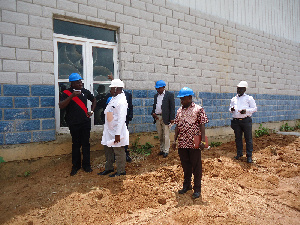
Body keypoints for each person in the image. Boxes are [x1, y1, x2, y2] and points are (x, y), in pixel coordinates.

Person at [172, 87, 209, 199]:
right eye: (180, 99)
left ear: (190, 98)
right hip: (182, 142)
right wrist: (174, 140)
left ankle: (197, 189)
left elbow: (202, 125)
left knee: (196, 166)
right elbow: (177, 126)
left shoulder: (198, 109)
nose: (181, 101)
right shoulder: (179, 110)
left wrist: (203, 141)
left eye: (183, 98)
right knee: (186, 165)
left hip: (194, 142)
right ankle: (187, 185)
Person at [59, 73, 97, 176]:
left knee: (85, 144)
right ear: (72, 83)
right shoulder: (66, 93)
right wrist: (72, 96)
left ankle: (86, 165)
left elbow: (94, 100)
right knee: (76, 145)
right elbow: (61, 106)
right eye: (78, 82)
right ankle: (76, 166)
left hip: (85, 122)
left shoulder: (85, 91)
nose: (80, 83)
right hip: (73, 123)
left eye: (81, 81)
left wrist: (92, 111)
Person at [98, 79, 129, 177]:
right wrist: (109, 127)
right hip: (109, 130)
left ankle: (121, 171)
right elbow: (110, 112)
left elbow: (121, 119)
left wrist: (117, 134)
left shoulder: (122, 101)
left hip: (116, 131)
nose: (110, 90)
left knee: (118, 151)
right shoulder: (114, 98)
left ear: (116, 89)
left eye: (111, 88)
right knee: (108, 150)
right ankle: (109, 168)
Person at [105, 74, 133, 162]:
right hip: (112, 124)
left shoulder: (126, 95)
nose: (111, 89)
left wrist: (129, 117)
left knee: (121, 141)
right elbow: (108, 112)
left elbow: (130, 107)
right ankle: (114, 158)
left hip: (123, 120)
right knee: (113, 142)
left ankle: (125, 155)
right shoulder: (111, 97)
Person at [229, 81, 257, 163]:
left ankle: (249, 156)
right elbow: (230, 108)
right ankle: (239, 153)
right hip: (236, 121)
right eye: (238, 89)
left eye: (241, 89)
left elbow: (254, 108)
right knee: (238, 138)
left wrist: (246, 111)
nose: (239, 90)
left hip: (246, 121)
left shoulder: (249, 98)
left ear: (244, 89)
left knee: (248, 139)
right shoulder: (234, 99)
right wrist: (232, 109)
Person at [152, 80, 175, 158]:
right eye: (157, 88)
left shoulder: (169, 95)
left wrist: (172, 118)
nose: (157, 90)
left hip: (166, 118)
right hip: (158, 117)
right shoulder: (156, 96)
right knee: (160, 135)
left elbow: (172, 108)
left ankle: (166, 150)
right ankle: (162, 149)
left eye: (159, 88)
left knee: (166, 135)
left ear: (163, 87)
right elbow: (154, 106)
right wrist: (153, 113)